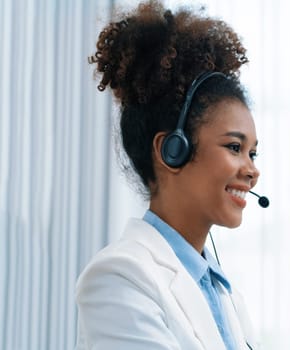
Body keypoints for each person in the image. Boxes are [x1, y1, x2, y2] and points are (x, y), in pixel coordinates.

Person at [75, 1, 261, 349]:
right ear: (171, 150)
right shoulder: (119, 277)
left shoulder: (222, 292)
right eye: (234, 148)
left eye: (253, 152)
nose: (252, 170)